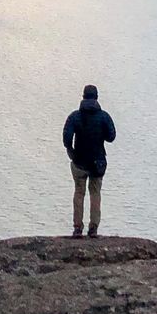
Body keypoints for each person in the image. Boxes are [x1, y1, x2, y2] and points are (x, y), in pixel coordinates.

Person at [62, 84, 116, 238]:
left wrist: (71, 151)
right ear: (96, 97)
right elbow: (111, 137)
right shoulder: (104, 116)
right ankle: (93, 229)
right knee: (95, 193)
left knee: (79, 192)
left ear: (83, 96)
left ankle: (78, 228)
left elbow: (66, 138)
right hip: (98, 162)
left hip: (79, 161)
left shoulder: (75, 116)